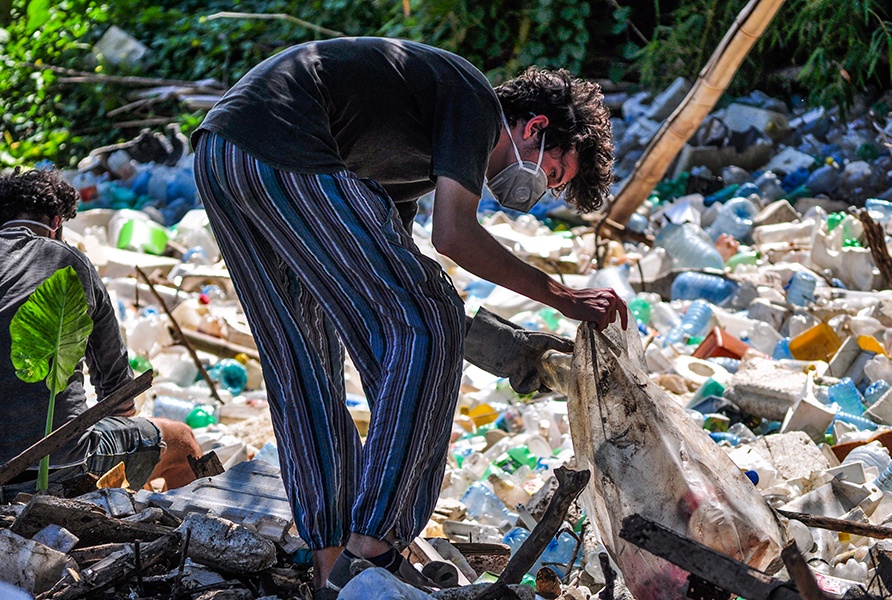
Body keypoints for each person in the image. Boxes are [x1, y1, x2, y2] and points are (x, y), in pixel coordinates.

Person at [192, 37, 627, 593]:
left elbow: (388, 288)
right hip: (281, 143)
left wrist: (503, 346)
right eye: (556, 173)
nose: (541, 191)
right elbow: (453, 238)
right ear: (534, 127)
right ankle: (374, 546)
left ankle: (333, 568)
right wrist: (563, 297)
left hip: (223, 155)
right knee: (429, 323)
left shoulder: (411, 159)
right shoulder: (474, 102)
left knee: (301, 359)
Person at [0, 168, 201, 497]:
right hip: (62, 467)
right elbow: (119, 399)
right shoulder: (74, 264)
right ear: (55, 222)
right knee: (181, 439)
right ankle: (187, 527)